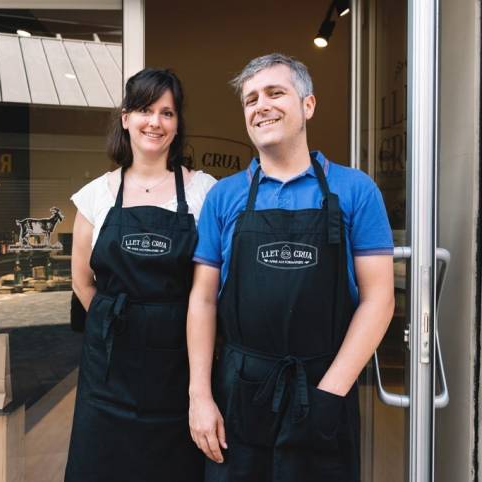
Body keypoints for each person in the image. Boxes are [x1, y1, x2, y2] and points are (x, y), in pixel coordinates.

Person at [187, 53, 395, 482]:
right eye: (250, 99)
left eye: (275, 93)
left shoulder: (356, 190)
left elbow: (379, 299)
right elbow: (203, 300)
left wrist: (330, 393)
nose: (260, 105)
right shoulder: (224, 197)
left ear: (308, 105)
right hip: (238, 396)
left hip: (323, 386)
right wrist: (200, 396)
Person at [65, 68, 216, 482]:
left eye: (167, 113)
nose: (156, 122)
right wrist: (114, 320)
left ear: (177, 123)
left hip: (178, 366)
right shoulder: (96, 195)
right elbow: (82, 279)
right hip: (109, 369)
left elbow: (213, 287)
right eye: (145, 110)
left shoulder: (204, 191)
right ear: (126, 117)